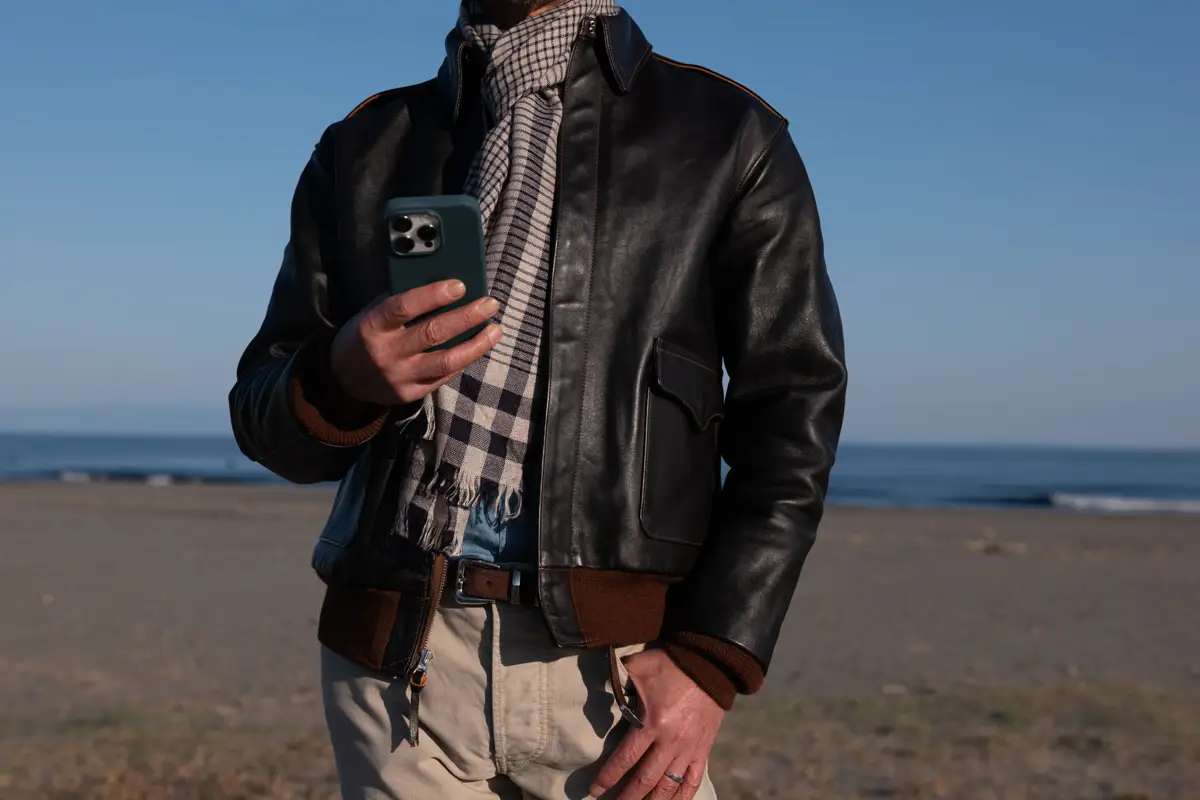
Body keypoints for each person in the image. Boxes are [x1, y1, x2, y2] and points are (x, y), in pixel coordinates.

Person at [229, 0, 847, 797]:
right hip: (397, 662)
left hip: (620, 671)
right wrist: (344, 375)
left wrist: (711, 658)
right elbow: (265, 417)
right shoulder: (366, 143)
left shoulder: (728, 133)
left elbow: (793, 416)